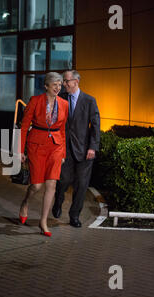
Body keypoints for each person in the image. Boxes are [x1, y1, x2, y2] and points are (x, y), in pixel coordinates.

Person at [18, 72, 68, 237]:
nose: (58, 88)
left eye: (60, 85)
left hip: (56, 146)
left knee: (51, 185)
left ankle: (43, 221)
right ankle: (25, 202)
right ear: (46, 86)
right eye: (54, 84)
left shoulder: (64, 104)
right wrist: (20, 151)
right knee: (36, 186)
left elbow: (62, 129)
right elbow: (24, 127)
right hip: (36, 146)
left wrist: (63, 153)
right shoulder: (35, 101)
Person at [52, 70, 101, 228]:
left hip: (84, 150)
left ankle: (74, 216)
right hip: (65, 149)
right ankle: (58, 202)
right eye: (63, 82)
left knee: (81, 185)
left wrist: (93, 147)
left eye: (66, 81)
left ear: (76, 82)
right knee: (63, 180)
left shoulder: (89, 101)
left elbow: (95, 126)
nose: (63, 84)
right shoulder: (60, 99)